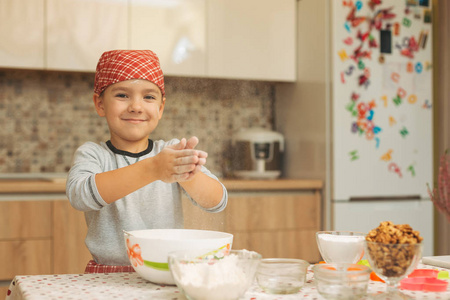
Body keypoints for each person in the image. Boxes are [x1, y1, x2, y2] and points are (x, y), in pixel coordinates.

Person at [66, 50, 228, 273]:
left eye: (149, 97)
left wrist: (187, 174)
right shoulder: (93, 154)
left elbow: (217, 202)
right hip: (107, 276)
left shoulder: (170, 153)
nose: (136, 106)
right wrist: (153, 168)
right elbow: (80, 196)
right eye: (122, 95)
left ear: (160, 108)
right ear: (100, 104)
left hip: (166, 271)